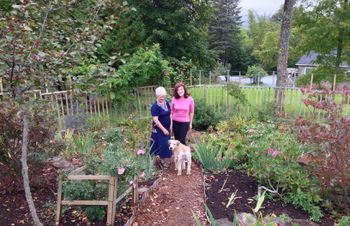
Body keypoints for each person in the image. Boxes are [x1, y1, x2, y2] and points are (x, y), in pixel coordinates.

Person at [150, 87, 172, 167]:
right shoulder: (155, 107)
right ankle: (162, 161)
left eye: (163, 95)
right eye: (160, 96)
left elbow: (170, 114)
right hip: (159, 129)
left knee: (168, 143)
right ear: (157, 96)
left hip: (167, 127)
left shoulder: (166, 103)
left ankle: (167, 159)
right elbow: (156, 120)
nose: (162, 97)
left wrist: (171, 125)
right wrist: (163, 129)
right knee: (163, 144)